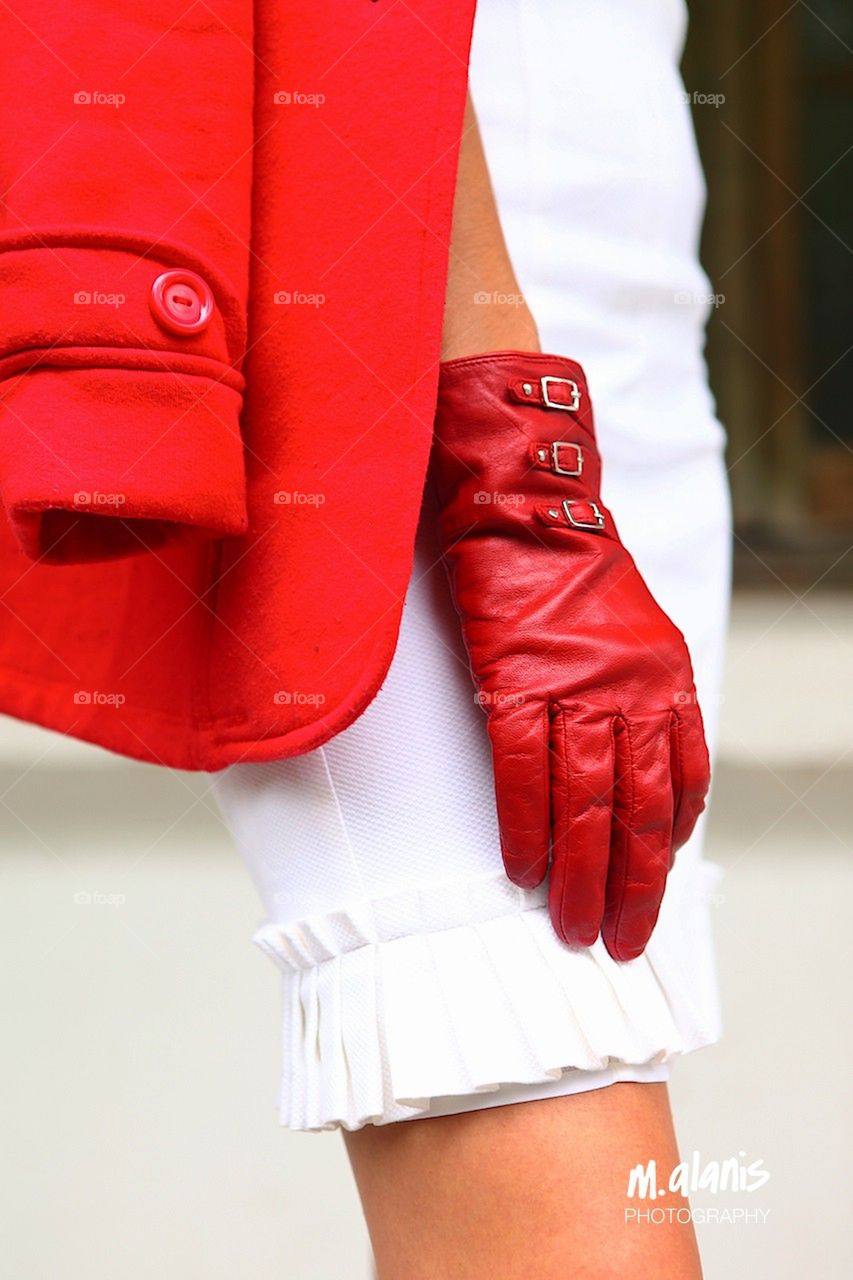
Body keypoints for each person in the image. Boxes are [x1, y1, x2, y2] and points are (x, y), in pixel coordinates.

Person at [212, 2, 731, 1275]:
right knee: (512, 1030)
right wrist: (512, 464)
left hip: (626, 306)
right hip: (389, 271)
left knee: (596, 1012)